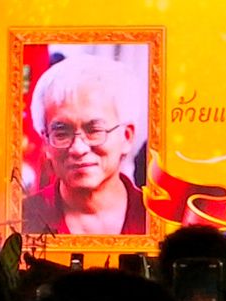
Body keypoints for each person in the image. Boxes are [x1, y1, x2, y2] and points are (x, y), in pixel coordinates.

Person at [23, 54, 146, 235]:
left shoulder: (155, 221)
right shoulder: (21, 221)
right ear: (46, 143)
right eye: (62, 134)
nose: (78, 148)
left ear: (127, 137)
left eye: (94, 131)